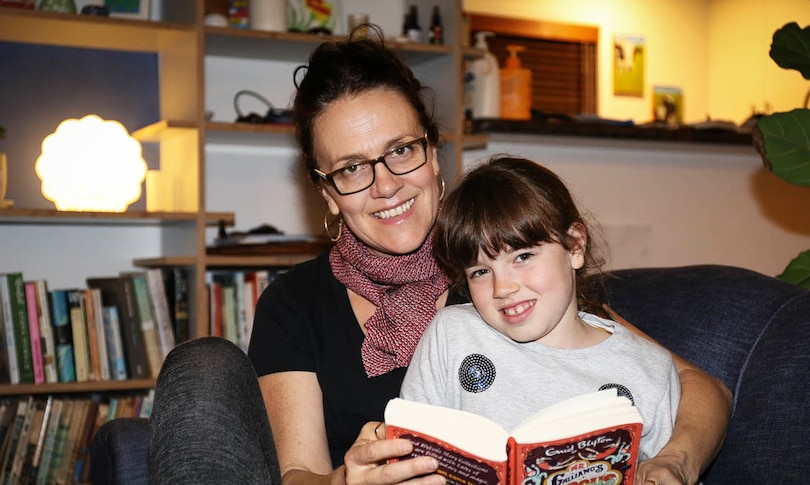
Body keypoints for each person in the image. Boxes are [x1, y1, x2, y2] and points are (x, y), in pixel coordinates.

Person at [148, 27, 732, 485]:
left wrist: (675, 462)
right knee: (201, 363)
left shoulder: (508, 276)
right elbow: (296, 475)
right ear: (326, 192)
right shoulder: (295, 303)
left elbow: (685, 381)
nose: (386, 185)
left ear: (433, 154)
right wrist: (344, 481)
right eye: (352, 168)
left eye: (401, 150)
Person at [401, 156, 679, 465]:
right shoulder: (452, 335)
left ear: (574, 247)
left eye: (523, 256)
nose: (502, 288)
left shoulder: (649, 372)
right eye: (480, 272)